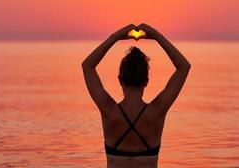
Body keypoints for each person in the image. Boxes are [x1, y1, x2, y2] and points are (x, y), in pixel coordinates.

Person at [81, 23, 191, 168]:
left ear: (120, 79)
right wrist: (157, 36)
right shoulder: (157, 111)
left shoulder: (109, 111)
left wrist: (116, 37)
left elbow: (87, 66)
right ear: (146, 81)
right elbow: (183, 67)